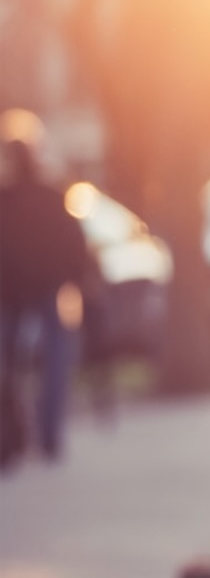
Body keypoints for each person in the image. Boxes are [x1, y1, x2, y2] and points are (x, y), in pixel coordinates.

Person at [0, 123, 89, 471]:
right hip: (44, 290)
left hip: (9, 294)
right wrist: (74, 277)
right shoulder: (52, 197)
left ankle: (12, 434)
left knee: (8, 367)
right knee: (55, 360)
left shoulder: (4, 201)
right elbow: (75, 243)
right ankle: (47, 432)